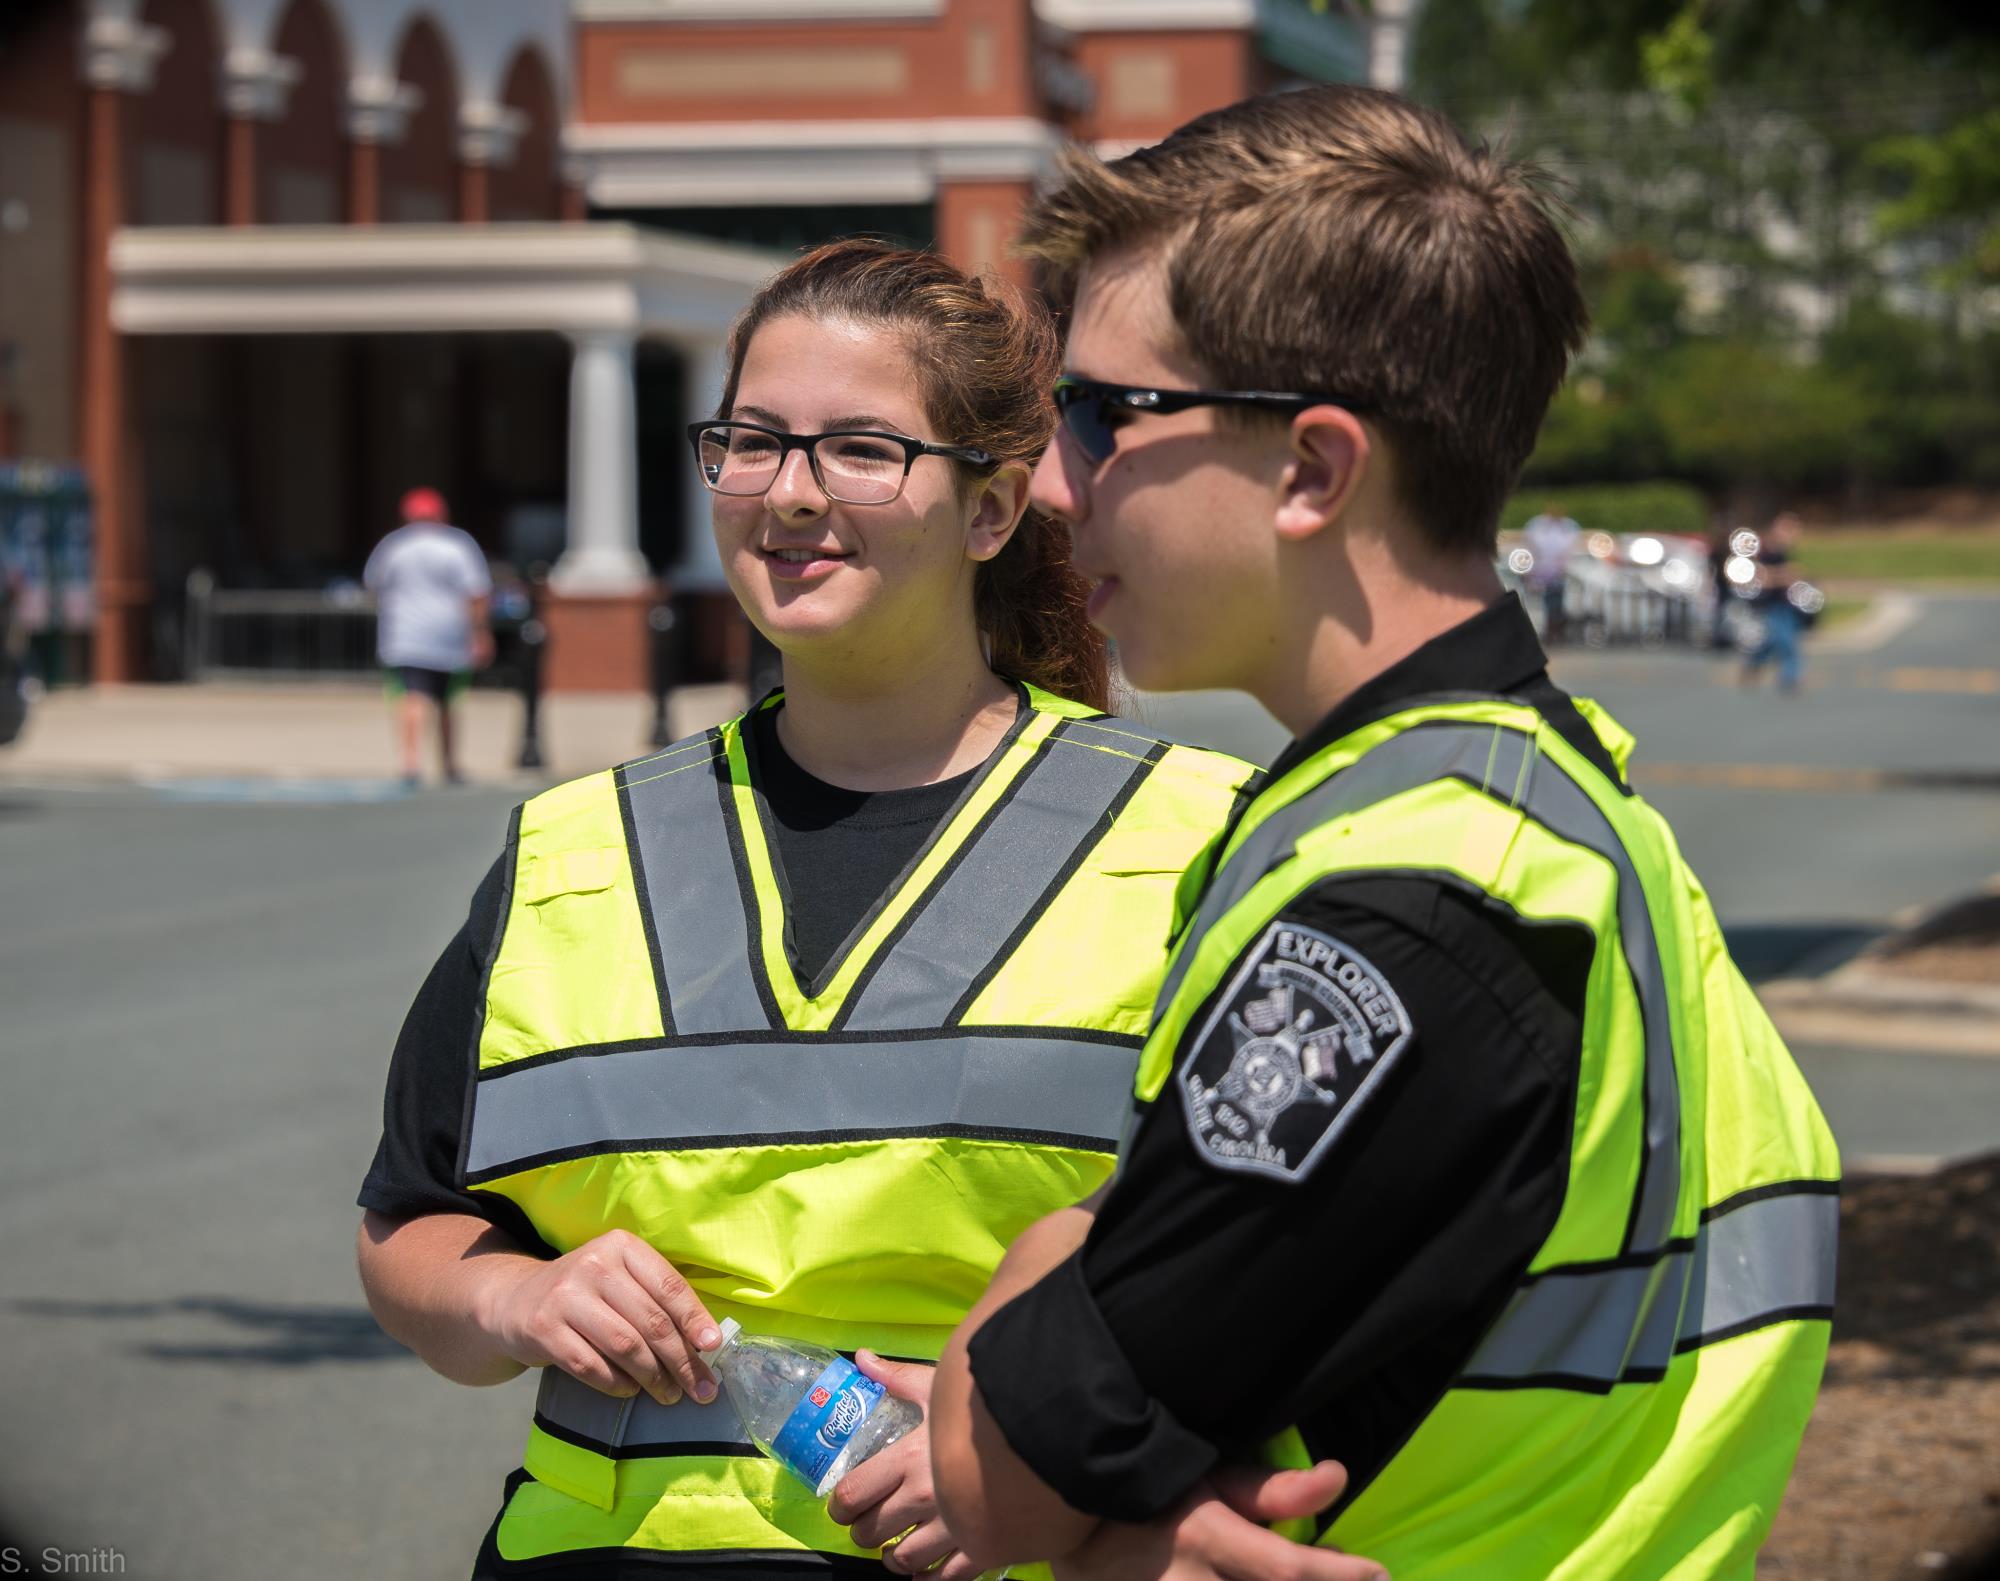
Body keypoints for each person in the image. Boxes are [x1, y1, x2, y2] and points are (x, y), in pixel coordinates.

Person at [355, 241, 1383, 1581]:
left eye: (860, 450)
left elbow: (1315, 1265)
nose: (789, 493)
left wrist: (1062, 1465)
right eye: (753, 442)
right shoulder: (572, 851)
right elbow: (410, 1225)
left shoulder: (1202, 843)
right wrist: (514, 1292)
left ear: (993, 510)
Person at [923, 86, 1841, 1581]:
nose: (1048, 482)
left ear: (1314, 469)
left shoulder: (1404, 911)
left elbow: (995, 1482)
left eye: (1102, 415)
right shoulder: (1549, 809)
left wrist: (1050, 1255)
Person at [363, 486, 494, 787]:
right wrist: (481, 632)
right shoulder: (457, 545)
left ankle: (411, 763)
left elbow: (373, 584)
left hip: (405, 634)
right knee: (449, 700)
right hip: (449, 634)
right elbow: (477, 592)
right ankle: (449, 763)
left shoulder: (393, 545)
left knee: (412, 699)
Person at [1741, 511, 1806, 693]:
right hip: (1768, 603)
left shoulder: (1784, 552)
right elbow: (1760, 577)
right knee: (1780, 640)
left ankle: (1782, 674)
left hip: (1785, 602)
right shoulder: (1765, 550)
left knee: (1781, 640)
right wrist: (1784, 575)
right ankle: (1786, 675)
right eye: (1789, 530)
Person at [1518, 501, 1578, 644]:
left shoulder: (1564, 527)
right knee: (1550, 601)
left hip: (1555, 570)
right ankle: (1552, 629)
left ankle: (1555, 629)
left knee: (1554, 600)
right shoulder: (1541, 527)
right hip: (1545, 569)